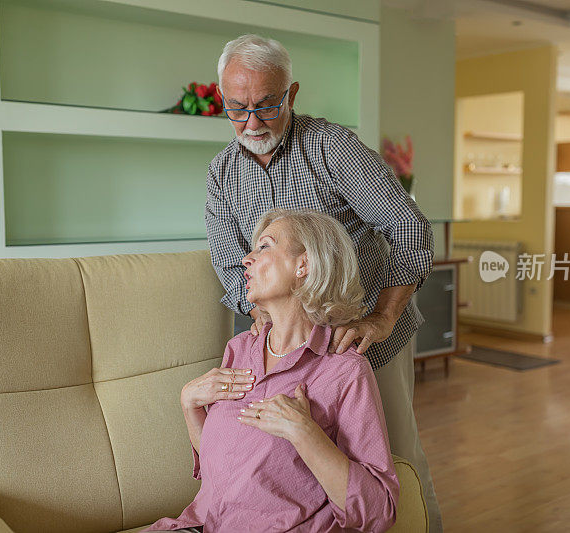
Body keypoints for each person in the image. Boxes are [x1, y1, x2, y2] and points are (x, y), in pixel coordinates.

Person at [205, 34, 442, 531]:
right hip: (289, 351)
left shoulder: (329, 147)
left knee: (394, 461)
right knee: (303, 463)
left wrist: (382, 316)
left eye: (267, 107)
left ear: (290, 95)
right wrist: (268, 323)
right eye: (237, 108)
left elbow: (408, 226)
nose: (251, 123)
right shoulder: (222, 173)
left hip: (367, 339)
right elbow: (231, 266)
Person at [144, 209, 399, 532]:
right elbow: (223, 469)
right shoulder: (239, 350)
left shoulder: (344, 370)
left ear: (303, 265)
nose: (246, 259)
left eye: (264, 247)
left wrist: (304, 432)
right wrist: (189, 406)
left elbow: (379, 512)